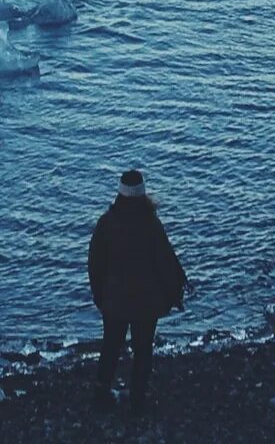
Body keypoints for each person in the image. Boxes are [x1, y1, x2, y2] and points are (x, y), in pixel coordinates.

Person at [86, 168, 185, 413]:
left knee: (110, 346)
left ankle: (101, 395)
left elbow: (94, 263)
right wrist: (175, 293)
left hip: (114, 300)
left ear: (119, 193)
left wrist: (99, 295)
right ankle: (138, 401)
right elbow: (166, 262)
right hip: (146, 301)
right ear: (143, 194)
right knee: (143, 350)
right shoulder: (151, 224)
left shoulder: (106, 222)